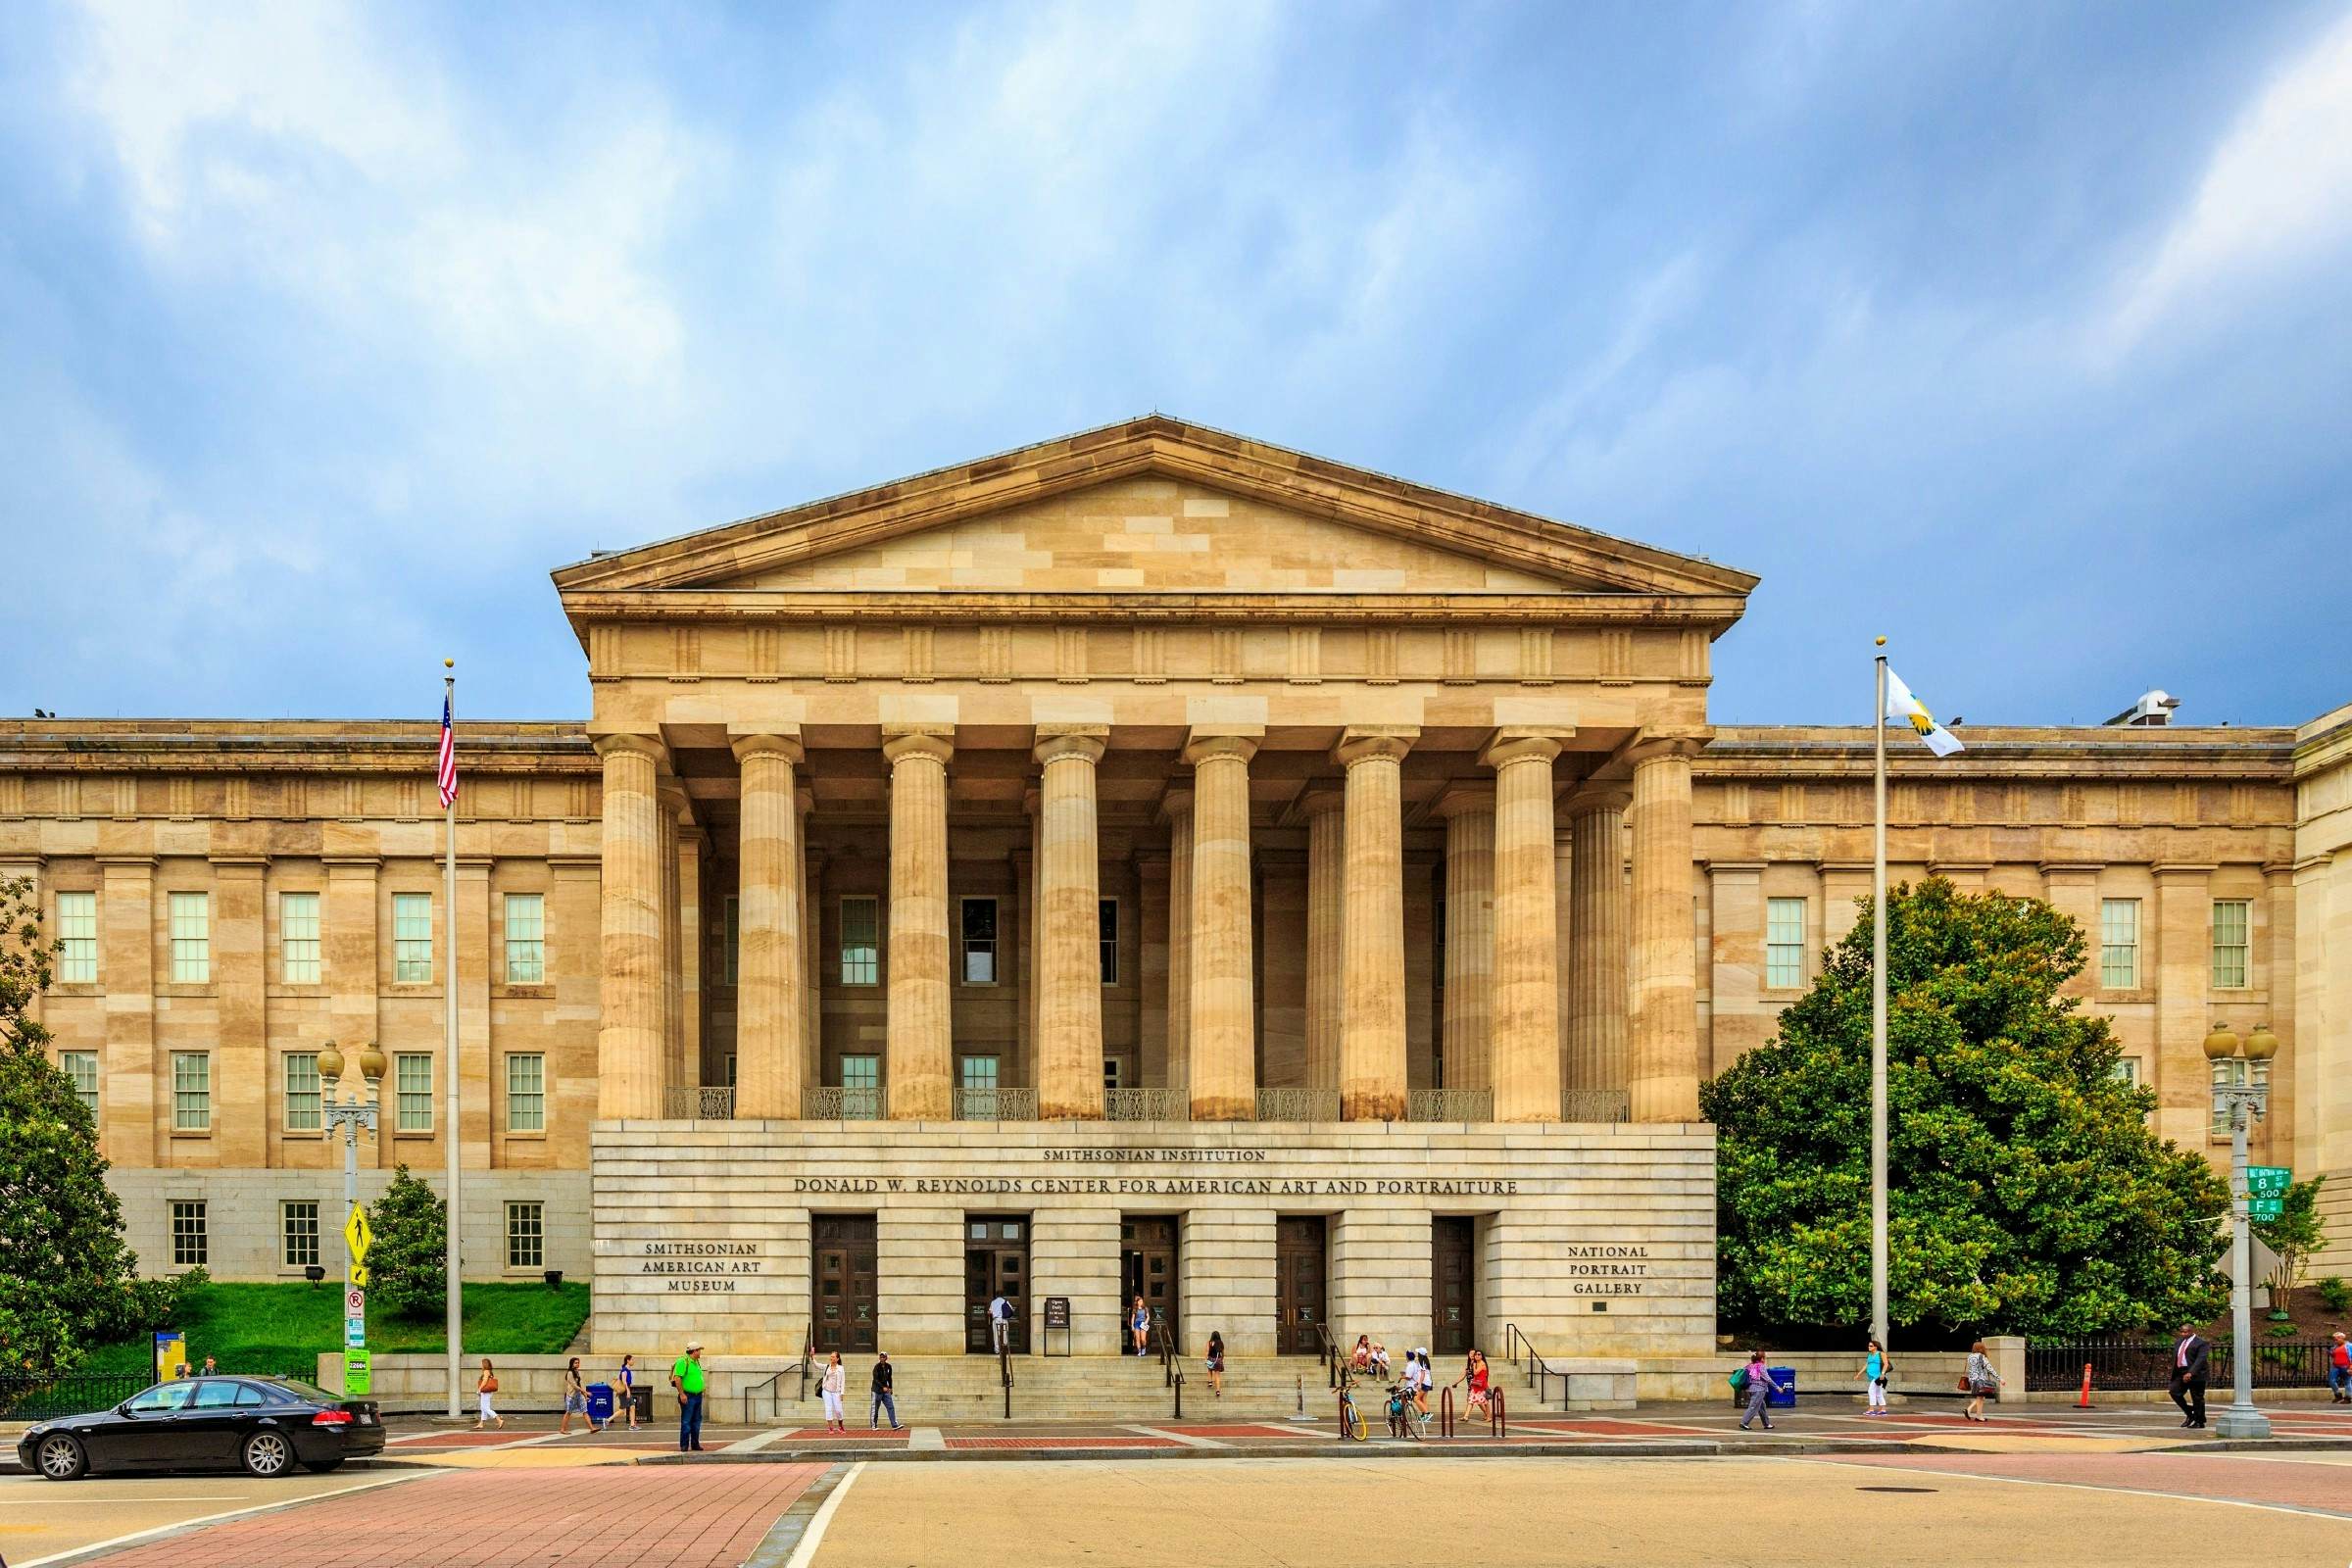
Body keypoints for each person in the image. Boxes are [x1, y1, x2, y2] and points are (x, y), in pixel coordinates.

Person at [2169, 1323, 2209, 1430]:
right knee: (2174, 1391)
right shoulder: (2179, 1342)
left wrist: (2191, 1372)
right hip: (2180, 1372)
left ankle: (2199, 1422)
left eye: (2185, 1332)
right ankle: (2190, 1413)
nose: (2183, 1334)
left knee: (2197, 1398)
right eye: (2181, 1332)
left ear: (2191, 1331)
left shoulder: (2201, 1343)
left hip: (2196, 1374)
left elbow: (2201, 1359)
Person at [1738, 1349, 1788, 1431]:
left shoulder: (1750, 1365)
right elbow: (1767, 1378)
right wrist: (1777, 1387)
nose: (1765, 1359)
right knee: (1753, 1407)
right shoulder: (1761, 1366)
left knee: (1762, 1407)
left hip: (1750, 1389)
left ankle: (1766, 1424)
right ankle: (1744, 1422)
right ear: (1761, 1359)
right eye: (1764, 1358)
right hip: (1759, 1390)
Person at [671, 1340, 708, 1452]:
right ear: (694, 1351)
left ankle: (695, 1444)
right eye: (699, 1350)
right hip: (688, 1396)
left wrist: (702, 1389)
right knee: (687, 1421)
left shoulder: (696, 1362)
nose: (700, 1353)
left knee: (696, 1421)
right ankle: (684, 1445)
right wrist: (682, 1394)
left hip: (697, 1396)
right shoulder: (683, 1361)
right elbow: (677, 1378)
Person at [1963, 1341, 2003, 1422]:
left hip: (1972, 1380)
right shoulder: (1982, 1357)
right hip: (1980, 1380)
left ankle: (1978, 1415)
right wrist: (2000, 1379)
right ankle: (1972, 1411)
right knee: (1980, 1397)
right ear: (1981, 1348)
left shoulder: (1970, 1356)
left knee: (1981, 1397)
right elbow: (1990, 1370)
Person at [1857, 1339, 1888, 1416]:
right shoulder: (1870, 1355)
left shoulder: (1881, 1354)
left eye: (1871, 1346)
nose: (1869, 1347)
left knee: (1871, 1391)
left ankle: (1871, 1409)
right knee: (1878, 1393)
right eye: (1868, 1345)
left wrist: (1883, 1374)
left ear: (1876, 1347)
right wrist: (1859, 1374)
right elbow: (1866, 1365)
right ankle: (1883, 1410)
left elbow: (1886, 1364)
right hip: (1871, 1376)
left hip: (1878, 1376)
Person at [561, 1355, 590, 1436]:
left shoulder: (577, 1372)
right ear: (572, 1364)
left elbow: (579, 1384)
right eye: (576, 1363)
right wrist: (586, 1392)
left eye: (578, 1363)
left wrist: (584, 1395)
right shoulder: (570, 1373)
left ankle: (592, 1428)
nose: (577, 1364)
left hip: (578, 1395)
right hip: (571, 1396)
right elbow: (575, 1386)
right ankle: (562, 1429)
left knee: (585, 1411)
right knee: (568, 1413)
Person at [473, 1357, 505, 1431]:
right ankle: (481, 1424)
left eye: (482, 1364)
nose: (481, 1365)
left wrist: (479, 1389)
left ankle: (499, 1420)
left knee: (485, 1408)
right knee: (483, 1408)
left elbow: (484, 1381)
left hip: (485, 1392)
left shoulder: (486, 1371)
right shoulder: (489, 1371)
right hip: (487, 1392)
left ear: (484, 1364)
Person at [820, 1350, 848, 1434]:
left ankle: (840, 1426)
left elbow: (842, 1381)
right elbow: (817, 1365)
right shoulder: (827, 1367)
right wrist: (812, 1358)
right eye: (831, 1356)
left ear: (837, 1359)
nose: (831, 1358)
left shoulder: (841, 1368)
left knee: (838, 1410)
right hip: (827, 1391)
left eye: (833, 1357)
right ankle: (831, 1428)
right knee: (828, 1409)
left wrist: (842, 1393)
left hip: (836, 1392)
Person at [870, 1351, 900, 1430]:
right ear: (879, 1358)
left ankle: (894, 1424)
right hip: (877, 1390)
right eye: (881, 1357)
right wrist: (882, 1387)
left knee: (890, 1406)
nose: (882, 1359)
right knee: (875, 1408)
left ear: (886, 1358)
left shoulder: (888, 1367)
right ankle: (874, 1425)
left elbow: (889, 1378)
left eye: (884, 1357)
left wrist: (890, 1387)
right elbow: (875, 1379)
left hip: (885, 1390)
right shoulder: (877, 1367)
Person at [1461, 1348, 1492, 1420]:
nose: (1477, 1356)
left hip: (1482, 1386)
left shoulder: (1482, 1363)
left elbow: (1475, 1373)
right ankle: (1466, 1416)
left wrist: (1474, 1365)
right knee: (1471, 1400)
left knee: (1485, 1402)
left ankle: (1489, 1417)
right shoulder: (1475, 1363)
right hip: (1475, 1385)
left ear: (1482, 1356)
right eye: (1476, 1354)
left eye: (1479, 1354)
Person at [616, 1353, 640, 1430]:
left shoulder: (627, 1370)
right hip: (624, 1391)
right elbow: (624, 1381)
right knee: (622, 1410)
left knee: (632, 1407)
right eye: (632, 1360)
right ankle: (607, 1420)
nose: (633, 1361)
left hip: (626, 1390)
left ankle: (632, 1425)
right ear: (628, 1360)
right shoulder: (624, 1370)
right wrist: (628, 1391)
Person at [989, 1289, 1014, 1355]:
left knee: (996, 1335)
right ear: (1002, 1295)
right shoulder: (1005, 1301)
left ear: (996, 1295)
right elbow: (1011, 1310)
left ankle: (997, 1350)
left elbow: (990, 1312)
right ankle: (1004, 1350)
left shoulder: (993, 1302)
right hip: (1004, 1319)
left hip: (996, 1320)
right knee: (1004, 1335)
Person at [2329, 1332, 2350, 1404]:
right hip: (2336, 1366)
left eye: (2337, 1339)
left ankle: (2348, 1397)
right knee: (2331, 1380)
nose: (2335, 1341)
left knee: (2347, 1382)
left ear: (2342, 1338)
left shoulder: (2349, 1346)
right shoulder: (2335, 1347)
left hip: (2346, 1366)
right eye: (2334, 1340)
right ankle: (2338, 1395)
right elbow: (2333, 1355)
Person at [1204, 1331, 1225, 1397]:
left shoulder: (1209, 1342)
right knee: (1217, 1376)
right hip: (1218, 1360)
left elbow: (1207, 1351)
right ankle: (1218, 1391)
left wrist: (1206, 1359)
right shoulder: (1221, 1343)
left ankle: (1210, 1381)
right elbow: (1223, 1353)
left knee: (1209, 1369)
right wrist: (1221, 1359)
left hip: (1210, 1359)